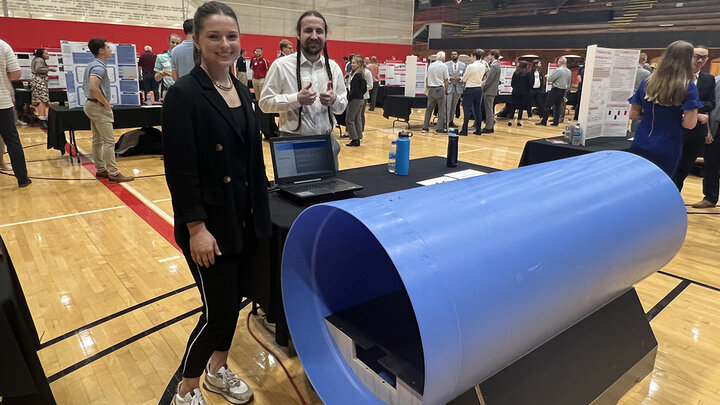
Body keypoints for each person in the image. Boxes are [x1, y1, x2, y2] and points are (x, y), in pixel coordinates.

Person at [162, 2, 271, 404]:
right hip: (209, 226)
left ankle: (217, 370)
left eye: (232, 36)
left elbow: (251, 162)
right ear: (197, 41)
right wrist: (196, 228)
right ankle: (186, 390)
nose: (225, 44)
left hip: (242, 220)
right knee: (218, 313)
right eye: (214, 36)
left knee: (234, 302)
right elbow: (181, 171)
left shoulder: (241, 90)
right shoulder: (184, 95)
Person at [258, 10, 348, 168]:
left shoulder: (333, 68)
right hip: (292, 144)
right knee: (293, 192)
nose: (314, 36)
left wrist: (334, 100)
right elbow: (265, 104)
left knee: (331, 191)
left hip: (327, 143)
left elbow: (341, 107)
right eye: (308, 30)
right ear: (298, 35)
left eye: (319, 31)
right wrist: (296, 99)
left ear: (325, 36)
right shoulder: (281, 66)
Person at [628, 40, 702, 177]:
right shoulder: (688, 86)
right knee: (660, 184)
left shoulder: (647, 82)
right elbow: (690, 124)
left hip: (642, 139)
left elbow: (633, 114)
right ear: (687, 59)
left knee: (637, 181)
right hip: (668, 143)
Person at [82, 38, 134, 183]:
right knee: (108, 141)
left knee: (97, 140)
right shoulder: (99, 67)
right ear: (101, 51)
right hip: (97, 106)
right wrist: (105, 103)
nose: (111, 50)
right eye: (108, 48)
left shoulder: (92, 64)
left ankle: (101, 169)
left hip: (90, 105)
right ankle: (113, 173)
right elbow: (93, 86)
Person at [672, 45, 716, 192]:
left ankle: (675, 197)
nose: (700, 60)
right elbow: (673, 101)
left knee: (684, 168)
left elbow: (711, 103)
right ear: (689, 56)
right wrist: (694, 112)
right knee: (672, 166)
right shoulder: (676, 76)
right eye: (697, 56)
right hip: (675, 128)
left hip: (696, 132)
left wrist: (693, 107)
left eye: (704, 57)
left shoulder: (709, 79)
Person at [0, 39, 31, 187]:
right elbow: (16, 74)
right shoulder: (3, 45)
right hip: (1, 101)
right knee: (12, 140)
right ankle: (22, 178)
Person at [691, 74, 720, 208]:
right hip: (716, 127)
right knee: (711, 164)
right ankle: (710, 197)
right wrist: (706, 129)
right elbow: (708, 106)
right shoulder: (715, 81)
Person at [537, 56, 571, 126]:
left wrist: (548, 76)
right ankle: (556, 122)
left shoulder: (558, 70)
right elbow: (569, 82)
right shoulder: (569, 71)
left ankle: (544, 121)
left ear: (559, 62)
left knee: (548, 105)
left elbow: (550, 79)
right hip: (563, 90)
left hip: (556, 89)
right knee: (558, 106)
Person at [459, 49, 486, 135]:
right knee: (477, 110)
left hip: (470, 89)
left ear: (474, 56)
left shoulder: (471, 66)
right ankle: (478, 129)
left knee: (466, 109)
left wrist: (461, 78)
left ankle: (464, 130)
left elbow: (464, 78)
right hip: (478, 89)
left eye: (471, 56)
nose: (471, 58)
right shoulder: (483, 66)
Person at [422, 51, 449, 134]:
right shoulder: (444, 66)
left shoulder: (431, 65)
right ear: (443, 58)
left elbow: (427, 78)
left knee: (429, 109)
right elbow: (446, 80)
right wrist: (446, 91)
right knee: (441, 109)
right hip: (439, 88)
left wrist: (427, 88)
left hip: (431, 89)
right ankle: (439, 129)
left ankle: (425, 127)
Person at [346, 55, 367, 147]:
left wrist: (349, 99)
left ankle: (354, 138)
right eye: (352, 62)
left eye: (354, 63)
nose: (352, 64)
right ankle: (358, 136)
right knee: (357, 118)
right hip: (360, 99)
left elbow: (354, 90)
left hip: (355, 99)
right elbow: (364, 88)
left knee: (350, 119)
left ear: (359, 64)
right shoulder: (361, 74)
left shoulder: (357, 75)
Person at [154, 33, 182, 100]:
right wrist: (162, 74)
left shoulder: (184, 57)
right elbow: (156, 78)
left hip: (182, 91)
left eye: (177, 43)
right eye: (173, 42)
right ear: (168, 42)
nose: (175, 45)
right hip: (168, 91)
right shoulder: (160, 57)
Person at [630, 53, 652, 136]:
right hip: (641, 97)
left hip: (630, 97)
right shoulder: (646, 73)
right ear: (644, 60)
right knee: (637, 117)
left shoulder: (631, 71)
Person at [30, 48, 55, 122]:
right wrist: (49, 69)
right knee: (42, 99)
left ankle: (43, 115)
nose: (48, 55)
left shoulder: (37, 60)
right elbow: (38, 69)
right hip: (39, 81)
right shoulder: (39, 60)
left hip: (39, 80)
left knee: (42, 98)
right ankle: (41, 116)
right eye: (46, 53)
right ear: (41, 54)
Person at [481, 49, 501, 133]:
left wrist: (483, 88)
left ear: (493, 56)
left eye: (489, 55)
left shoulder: (494, 65)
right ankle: (490, 126)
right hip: (491, 90)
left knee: (488, 109)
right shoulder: (495, 65)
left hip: (490, 90)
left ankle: (489, 127)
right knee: (489, 108)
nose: (488, 56)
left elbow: (489, 80)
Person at [508, 60, 532, 127]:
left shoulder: (516, 72)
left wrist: (515, 88)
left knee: (513, 106)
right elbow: (530, 83)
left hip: (515, 91)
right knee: (521, 107)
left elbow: (512, 83)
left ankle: (510, 120)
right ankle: (519, 121)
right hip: (524, 92)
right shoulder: (528, 73)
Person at [445, 50, 465, 128]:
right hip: (449, 87)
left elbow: (465, 76)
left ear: (458, 55)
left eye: (455, 54)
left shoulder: (463, 65)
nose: (453, 55)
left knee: (454, 106)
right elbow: (444, 76)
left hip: (458, 88)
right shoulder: (446, 65)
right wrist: (450, 78)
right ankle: (445, 122)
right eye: (452, 54)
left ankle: (451, 121)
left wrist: (460, 78)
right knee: (448, 106)